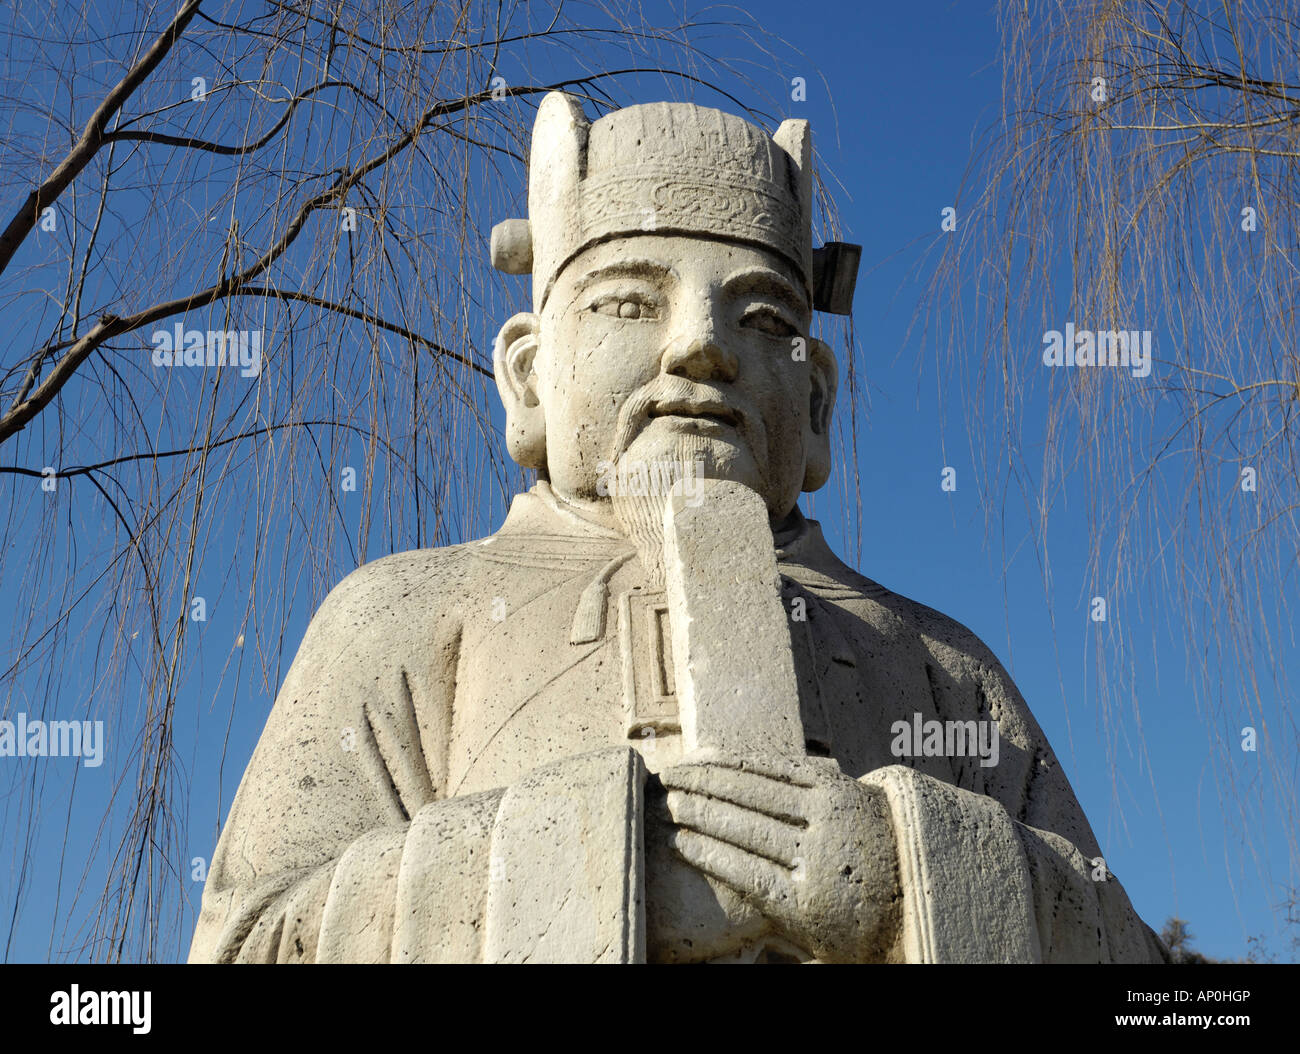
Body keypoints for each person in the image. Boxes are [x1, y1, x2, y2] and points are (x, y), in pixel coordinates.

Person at [189, 93, 1166, 964]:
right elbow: (251, 944)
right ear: (531, 376)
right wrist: (593, 864)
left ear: (817, 401)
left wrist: (907, 867)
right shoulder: (403, 616)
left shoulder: (939, 664)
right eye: (629, 300)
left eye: (761, 314)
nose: (700, 344)